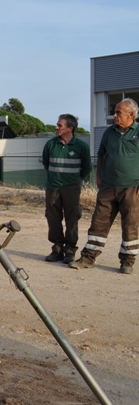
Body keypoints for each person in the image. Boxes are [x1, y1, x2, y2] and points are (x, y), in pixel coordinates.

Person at [70, 98, 139, 274]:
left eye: (118, 113)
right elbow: (101, 156)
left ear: (131, 115)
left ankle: (127, 262)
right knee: (98, 223)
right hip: (108, 186)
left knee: (130, 224)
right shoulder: (110, 132)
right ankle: (87, 258)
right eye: (114, 112)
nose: (114, 115)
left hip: (132, 188)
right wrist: (99, 177)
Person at [42, 114, 92, 263]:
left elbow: (87, 167)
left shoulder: (81, 146)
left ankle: (70, 251)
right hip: (53, 188)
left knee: (72, 218)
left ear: (70, 128)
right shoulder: (50, 144)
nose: (56, 127)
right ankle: (57, 249)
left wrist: (75, 180)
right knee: (53, 218)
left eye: (60, 125)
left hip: (71, 189)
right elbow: (46, 163)